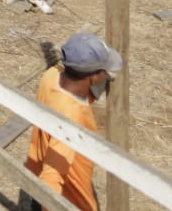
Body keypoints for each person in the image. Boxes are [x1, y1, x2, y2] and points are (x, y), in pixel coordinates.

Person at [25, 32, 123, 211]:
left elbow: (79, 94)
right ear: (93, 77)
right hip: (68, 201)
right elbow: (52, 176)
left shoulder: (51, 77)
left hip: (35, 175)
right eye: (103, 71)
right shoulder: (71, 120)